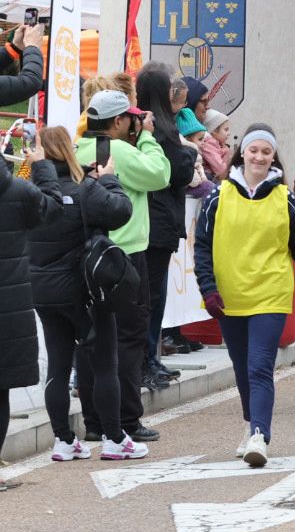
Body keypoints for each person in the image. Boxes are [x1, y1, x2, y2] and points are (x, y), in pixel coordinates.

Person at [195, 126, 295, 466]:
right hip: (231, 296)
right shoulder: (217, 196)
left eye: (266, 152)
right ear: (242, 152)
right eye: (253, 150)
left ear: (274, 157)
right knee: (242, 368)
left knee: (260, 366)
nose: (259, 157)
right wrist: (208, 289)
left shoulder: (285, 199)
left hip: (271, 293)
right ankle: (249, 423)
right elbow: (201, 247)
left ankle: (260, 433)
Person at [28, 127, 131, 462]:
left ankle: (63, 439)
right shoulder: (86, 188)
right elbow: (120, 211)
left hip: (41, 290)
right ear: (68, 150)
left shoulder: (31, 192)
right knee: (104, 363)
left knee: (57, 366)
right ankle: (114, 439)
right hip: (84, 289)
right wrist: (110, 179)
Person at [76, 89, 171, 445]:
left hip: (83, 258)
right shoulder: (123, 151)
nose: (134, 122)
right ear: (118, 122)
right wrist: (147, 136)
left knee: (87, 341)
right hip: (125, 258)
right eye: (130, 118)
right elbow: (161, 174)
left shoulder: (74, 149)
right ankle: (128, 418)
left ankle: (94, 421)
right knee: (129, 339)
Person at [135, 63, 199, 389]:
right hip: (157, 223)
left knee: (153, 296)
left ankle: (150, 358)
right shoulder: (157, 127)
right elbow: (179, 170)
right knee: (149, 298)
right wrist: (189, 153)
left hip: (155, 222)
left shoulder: (147, 124)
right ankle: (145, 361)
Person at [1, 128, 56, 464]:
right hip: (11, 305)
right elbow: (52, 208)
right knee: (1, 388)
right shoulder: (19, 191)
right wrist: (43, 167)